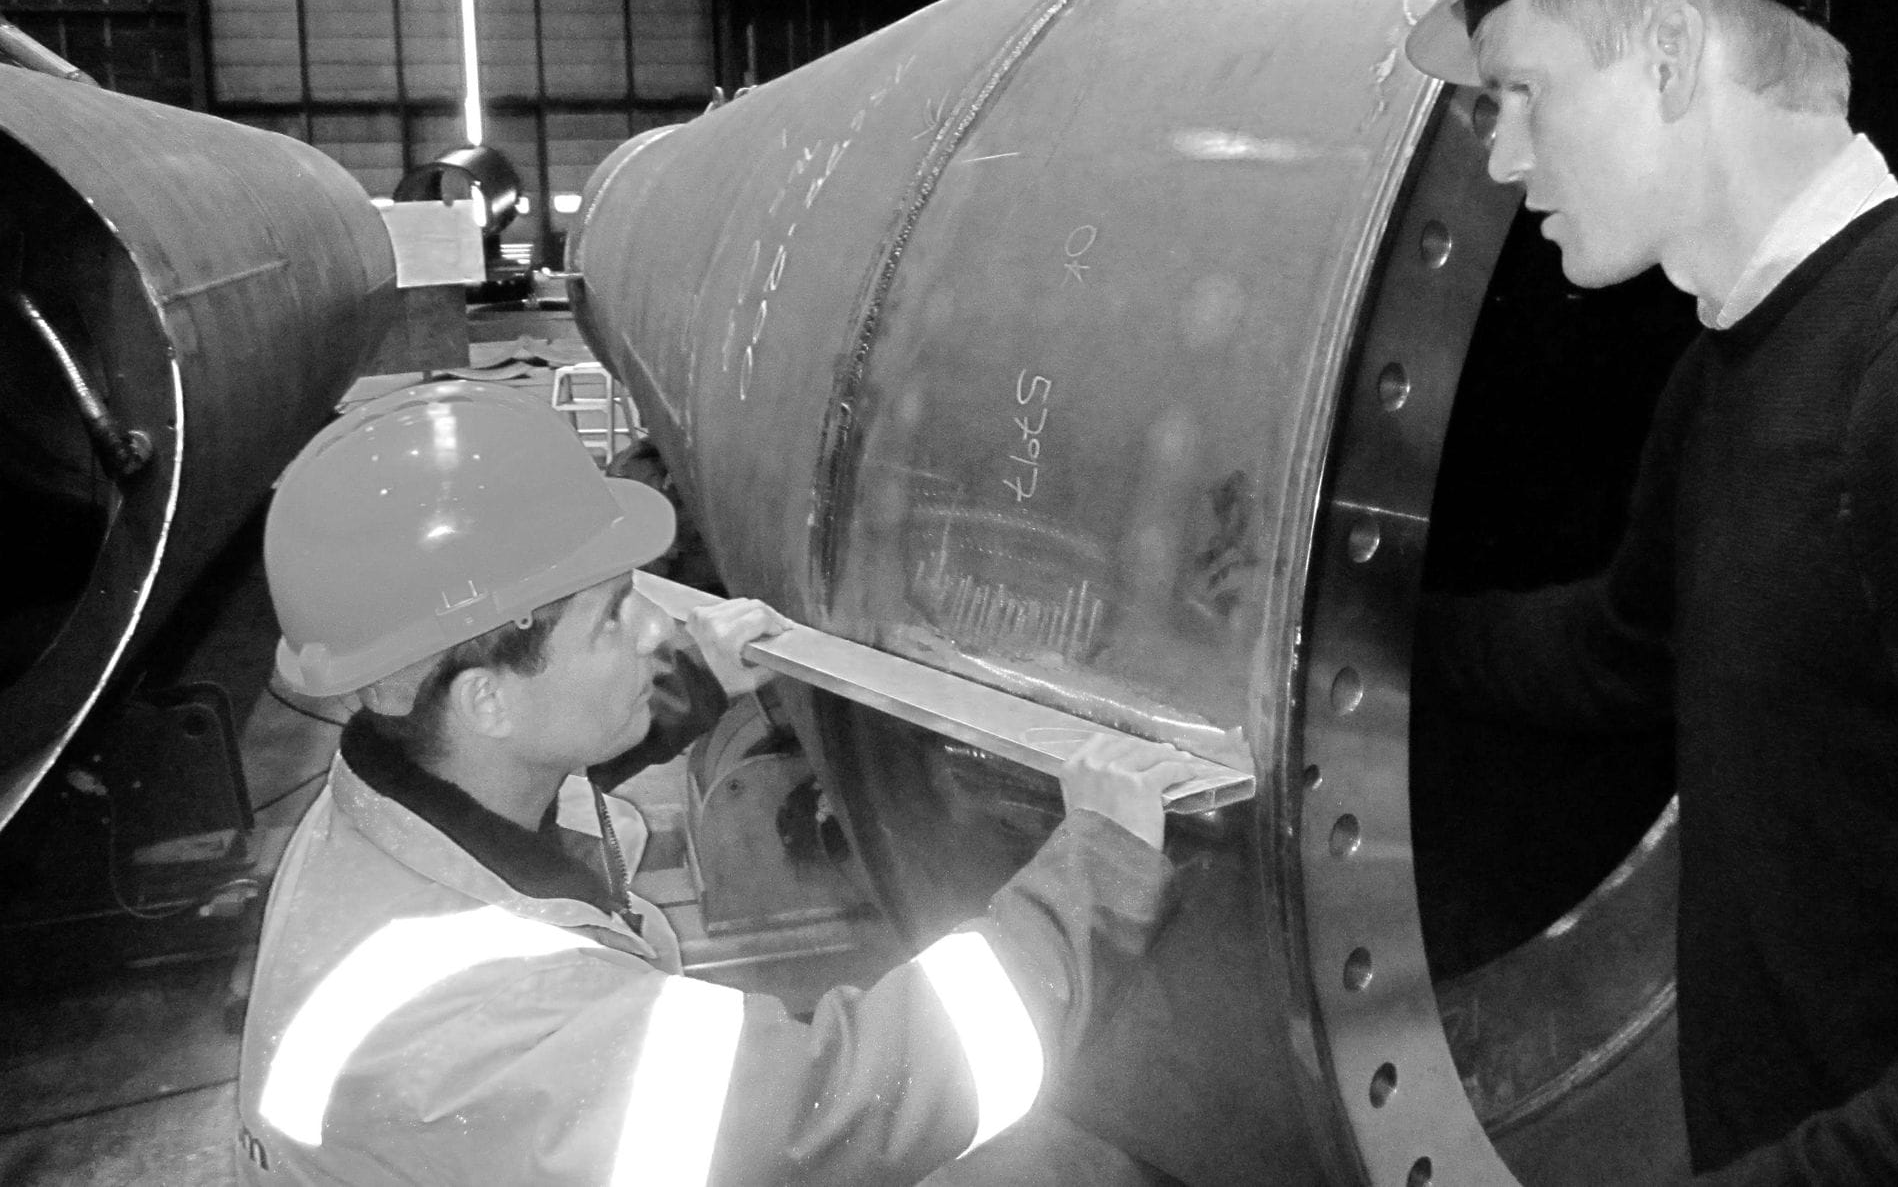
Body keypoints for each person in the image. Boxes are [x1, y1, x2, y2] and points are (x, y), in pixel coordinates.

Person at [1404, 0, 1898, 1184]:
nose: (1501, 156)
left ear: (1670, 50)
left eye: (1522, 93)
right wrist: (1357, 632)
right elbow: (1624, 655)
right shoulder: (1730, 365)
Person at [235, 379, 1201, 1187]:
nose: (658, 626)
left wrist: (690, 688)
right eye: (614, 615)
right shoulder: (481, 1038)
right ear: (485, 697)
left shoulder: (383, 808)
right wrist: (1092, 880)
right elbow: (834, 1113)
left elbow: (541, 784)